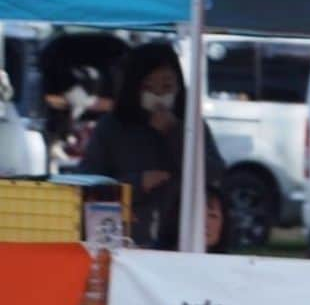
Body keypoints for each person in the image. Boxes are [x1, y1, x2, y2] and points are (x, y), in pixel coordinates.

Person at [77, 42, 225, 249]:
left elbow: (214, 176)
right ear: (133, 88)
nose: (159, 95)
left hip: (180, 241)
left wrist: (175, 132)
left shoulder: (192, 124)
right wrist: (137, 183)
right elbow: (88, 185)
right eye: (148, 87)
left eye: (167, 86)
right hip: (125, 241)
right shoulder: (112, 128)